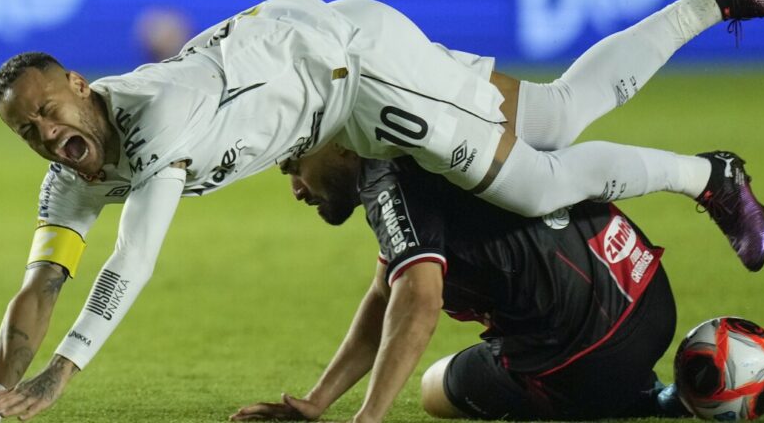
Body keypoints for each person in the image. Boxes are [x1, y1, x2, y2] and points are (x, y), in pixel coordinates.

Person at [0, 0, 764, 421]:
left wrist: (60, 378)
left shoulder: (156, 113)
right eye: (26, 131)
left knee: (529, 184)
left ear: (79, 83)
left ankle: (708, 175)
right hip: (340, 61)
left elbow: (135, 254)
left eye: (47, 110)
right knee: (555, 111)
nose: (45, 135)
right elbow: (40, 284)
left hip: (359, 77)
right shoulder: (70, 165)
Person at [233, 145, 690, 422]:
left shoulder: (384, 176)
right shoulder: (430, 121)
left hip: (587, 360)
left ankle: (633, 395)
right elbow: (384, 291)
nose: (296, 187)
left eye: (294, 166)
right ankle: (658, 385)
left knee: (436, 386)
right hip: (647, 291)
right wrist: (317, 401)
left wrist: (368, 417)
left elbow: (420, 298)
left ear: (341, 145)